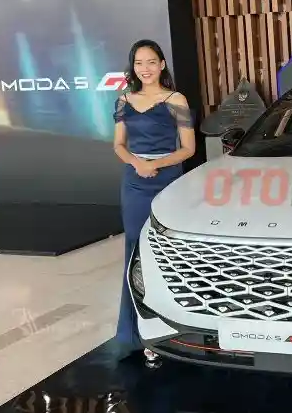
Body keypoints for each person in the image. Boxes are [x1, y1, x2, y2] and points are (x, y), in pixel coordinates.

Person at [112, 39, 196, 360]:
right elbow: (119, 145)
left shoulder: (176, 100)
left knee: (166, 251)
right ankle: (136, 333)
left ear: (161, 65)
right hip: (134, 183)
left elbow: (188, 149)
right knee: (135, 250)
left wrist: (155, 164)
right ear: (132, 67)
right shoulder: (124, 100)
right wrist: (137, 163)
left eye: (151, 62)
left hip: (167, 180)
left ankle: (172, 331)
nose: (145, 69)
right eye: (139, 63)